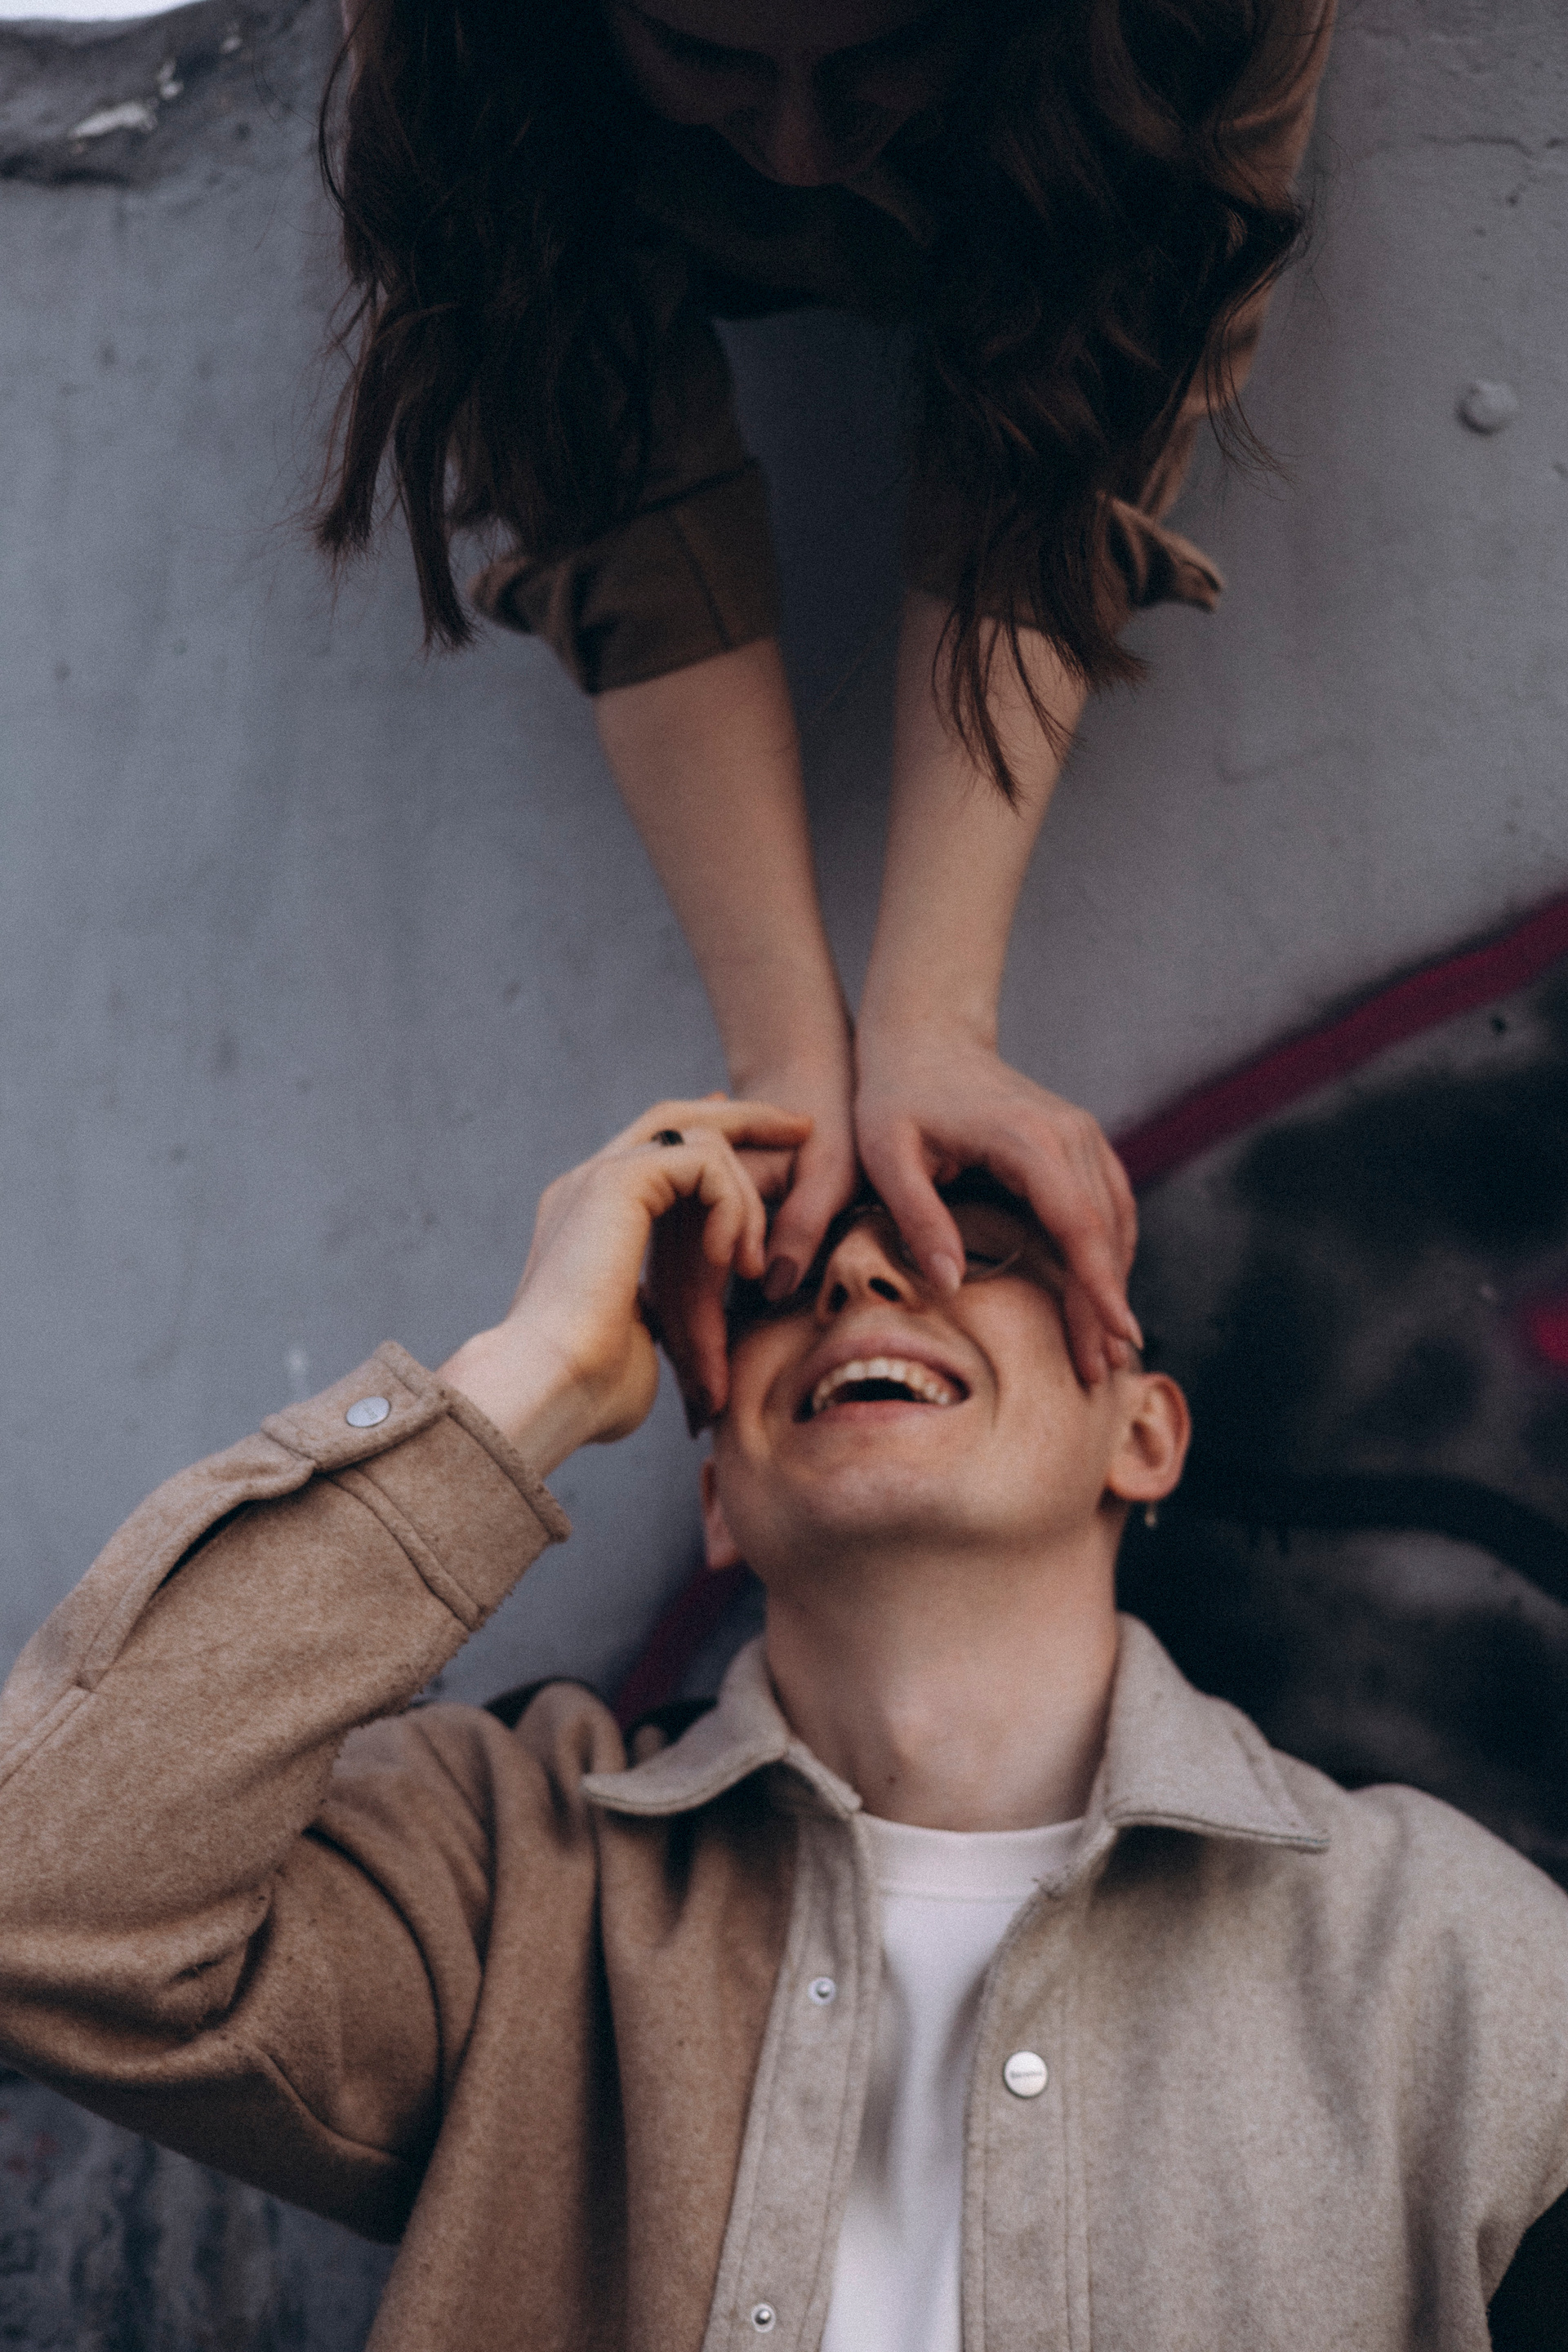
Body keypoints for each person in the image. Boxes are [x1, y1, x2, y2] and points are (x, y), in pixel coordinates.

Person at [0, 1098, 1562, 2350]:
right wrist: (523, 1383)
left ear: (1143, 1435)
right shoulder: (506, 1872)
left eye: (978, 1249)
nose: (857, 1283)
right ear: (718, 1504)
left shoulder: (1456, 1955)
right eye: (779, 1285)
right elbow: (45, 1892)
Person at [313, 0, 1336, 1384]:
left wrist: (935, 1025)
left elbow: (1063, 443)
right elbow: (619, 507)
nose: (801, 151)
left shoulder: (1209, 20)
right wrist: (785, 1073)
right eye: (706, 56)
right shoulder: (447, 35)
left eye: (885, 54)